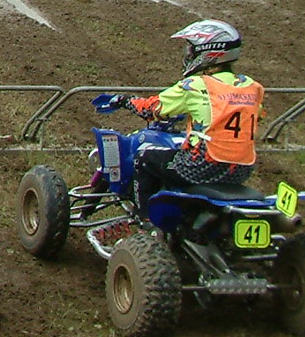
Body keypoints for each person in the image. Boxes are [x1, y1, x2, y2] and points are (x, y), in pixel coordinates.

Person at [102, 20, 263, 201]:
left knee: (143, 158)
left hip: (202, 165)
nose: (189, 55)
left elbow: (151, 108)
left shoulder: (195, 85)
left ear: (208, 52)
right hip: (241, 169)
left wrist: (124, 100)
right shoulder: (252, 87)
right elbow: (254, 117)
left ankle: (145, 221)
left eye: (192, 50)